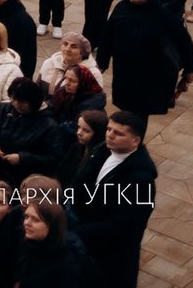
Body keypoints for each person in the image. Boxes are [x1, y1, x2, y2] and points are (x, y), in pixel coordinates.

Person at [71, 111, 157, 288]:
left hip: (110, 256)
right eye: (109, 129)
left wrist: (78, 232)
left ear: (135, 140)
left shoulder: (141, 180)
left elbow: (124, 225)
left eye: (118, 133)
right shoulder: (101, 150)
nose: (110, 135)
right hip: (85, 242)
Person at [96, 0, 193, 115]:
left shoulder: (162, 14)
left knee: (139, 112)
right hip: (123, 70)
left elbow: (183, 40)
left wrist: (190, 68)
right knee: (124, 109)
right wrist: (101, 62)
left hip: (149, 73)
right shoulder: (121, 7)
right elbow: (107, 35)